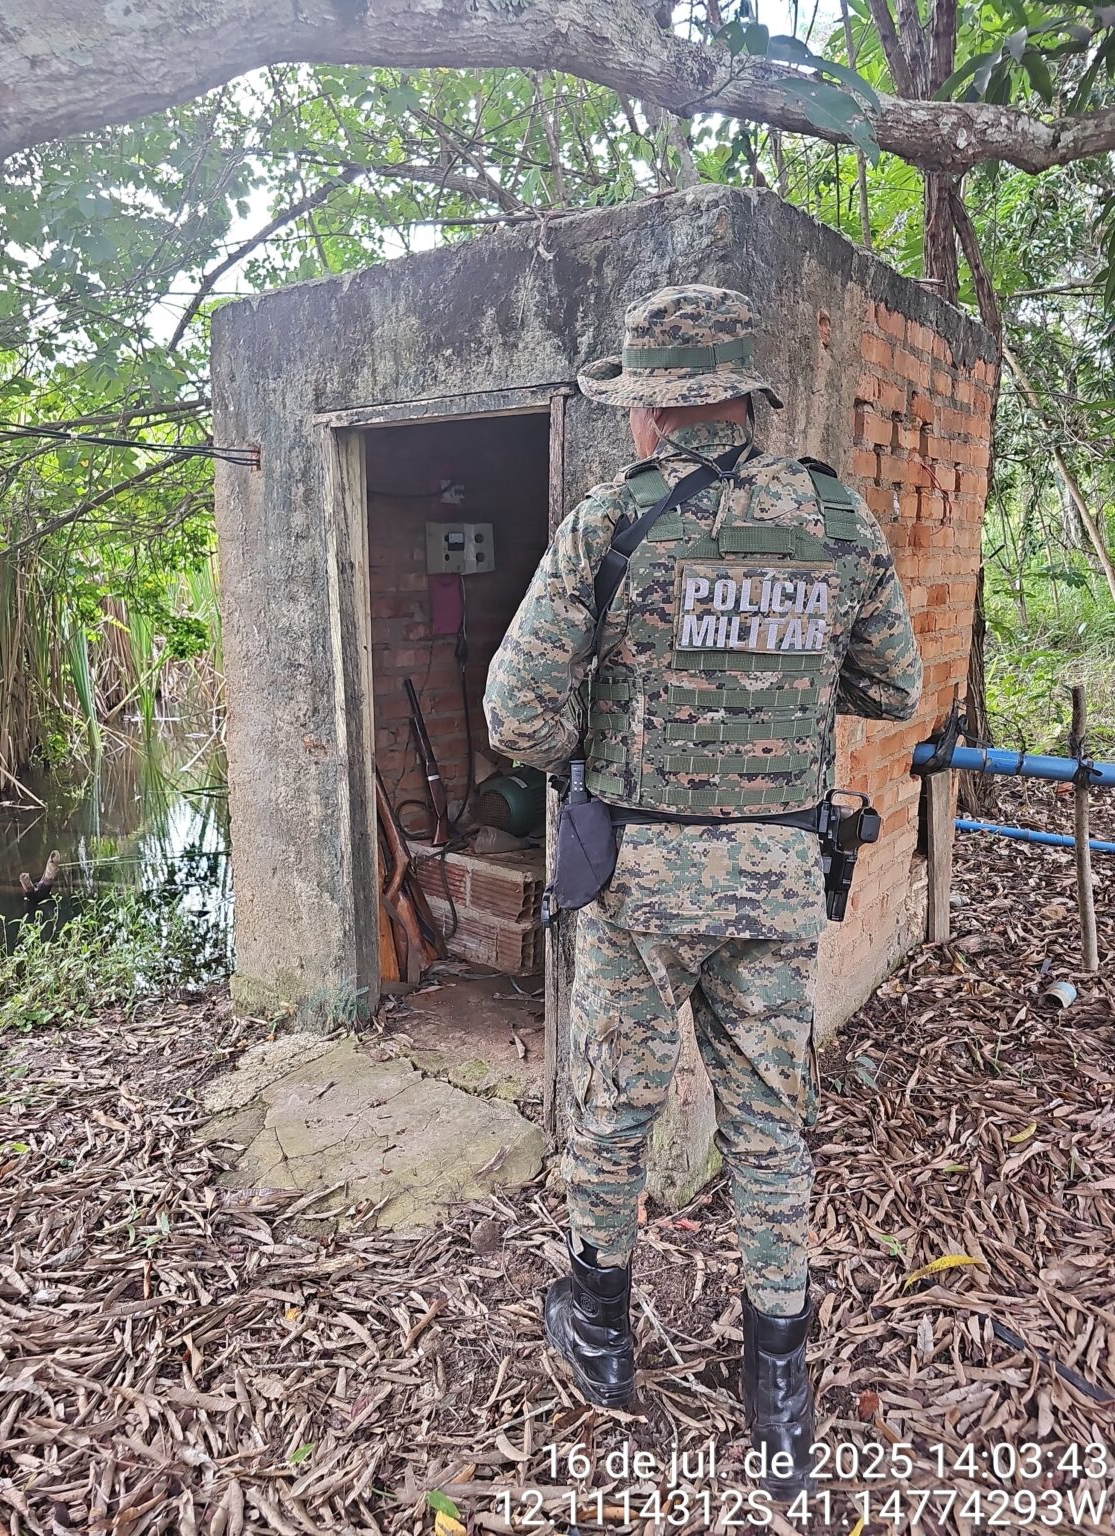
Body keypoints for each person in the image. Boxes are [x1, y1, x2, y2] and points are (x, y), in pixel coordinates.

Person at [483, 285, 922, 1495]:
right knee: (769, 1125)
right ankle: (779, 1385)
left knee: (616, 1107)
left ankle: (604, 1334)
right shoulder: (834, 514)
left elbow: (517, 720)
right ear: (745, 395)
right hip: (779, 876)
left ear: (651, 411)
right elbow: (896, 690)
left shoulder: (608, 525)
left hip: (641, 886)